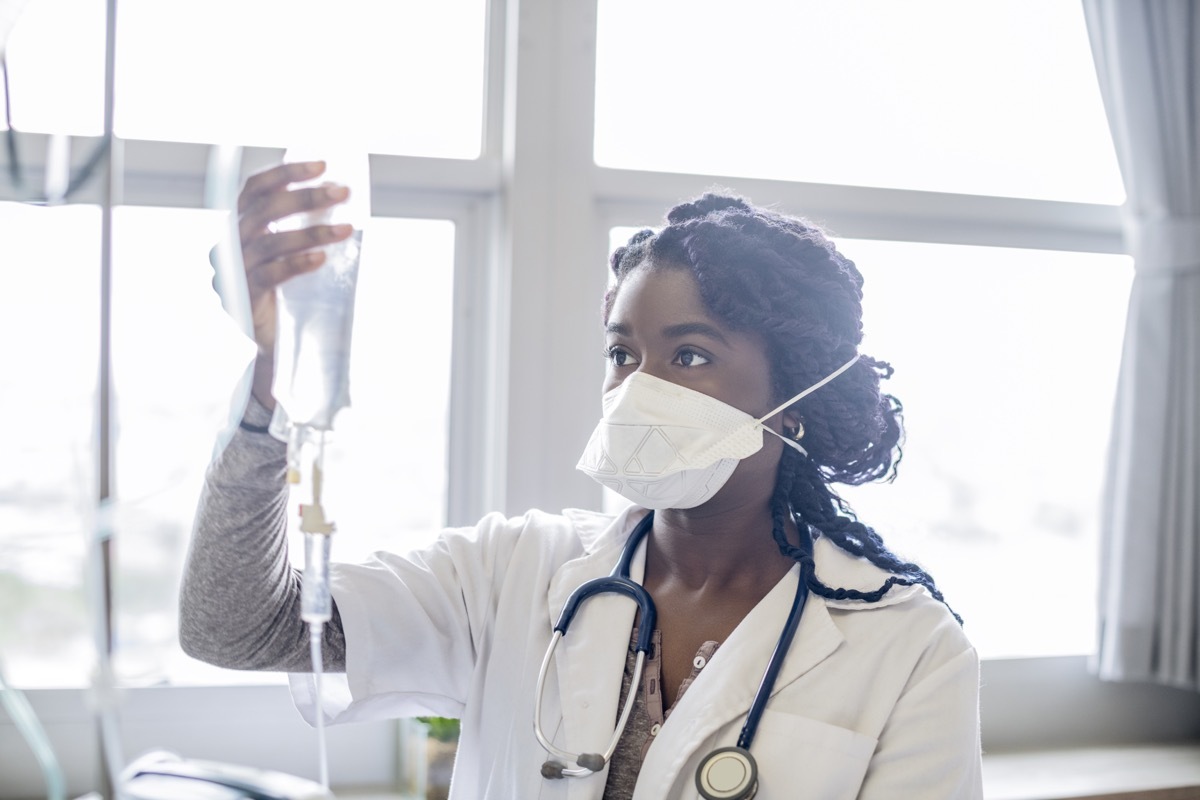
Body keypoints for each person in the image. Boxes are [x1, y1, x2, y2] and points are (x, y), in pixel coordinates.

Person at [180, 160, 983, 799]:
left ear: (795, 398)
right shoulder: (510, 571)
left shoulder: (910, 648)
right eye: (621, 353)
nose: (637, 387)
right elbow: (235, 627)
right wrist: (271, 387)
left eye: (690, 355)